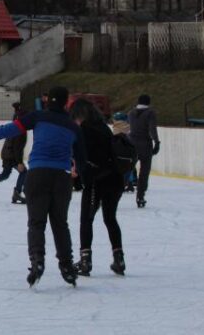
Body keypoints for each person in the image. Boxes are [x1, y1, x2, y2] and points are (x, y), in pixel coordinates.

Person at [0, 86, 86, 288]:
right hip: (61, 178)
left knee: (36, 223)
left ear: (48, 100)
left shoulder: (38, 117)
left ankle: (37, 262)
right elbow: (82, 157)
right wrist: (77, 171)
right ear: (67, 103)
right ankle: (67, 268)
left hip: (38, 174)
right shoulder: (73, 127)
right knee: (60, 224)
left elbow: (10, 129)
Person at [70, 98, 126, 278]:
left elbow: (84, 158)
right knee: (110, 218)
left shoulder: (85, 130)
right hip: (116, 179)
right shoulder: (104, 128)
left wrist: (77, 177)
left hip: (97, 181)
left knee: (86, 219)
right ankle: (119, 259)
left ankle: (85, 260)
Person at [127, 94, 160, 208]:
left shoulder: (131, 113)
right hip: (145, 144)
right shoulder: (150, 113)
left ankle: (111, 191)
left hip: (131, 144)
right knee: (144, 171)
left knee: (127, 169)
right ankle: (140, 196)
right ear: (149, 102)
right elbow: (152, 129)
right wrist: (157, 142)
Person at [111, 111, 136, 192]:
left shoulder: (115, 128)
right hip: (128, 151)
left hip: (117, 151)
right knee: (129, 166)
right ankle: (130, 182)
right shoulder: (128, 128)